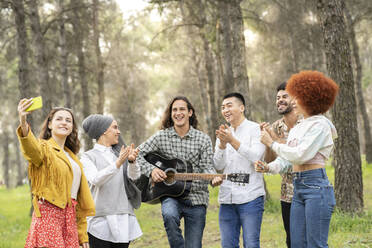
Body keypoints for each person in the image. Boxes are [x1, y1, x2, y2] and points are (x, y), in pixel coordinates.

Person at [255, 70, 339, 248]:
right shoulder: (298, 127)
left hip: (316, 187)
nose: (293, 101)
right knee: (296, 244)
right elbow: (288, 160)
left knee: (315, 244)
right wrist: (268, 167)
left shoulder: (321, 125)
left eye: (297, 97)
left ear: (311, 98)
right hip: (298, 188)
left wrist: (272, 143)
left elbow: (301, 154)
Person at [136, 96, 216, 248]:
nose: (178, 113)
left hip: (196, 198)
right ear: (170, 114)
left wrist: (213, 179)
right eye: (174, 110)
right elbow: (137, 154)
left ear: (190, 113)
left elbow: (207, 167)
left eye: (182, 109)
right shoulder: (161, 136)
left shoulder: (203, 139)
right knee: (169, 214)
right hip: (171, 195)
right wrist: (152, 170)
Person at [17, 99, 95, 248]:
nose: (64, 122)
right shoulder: (43, 148)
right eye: (59, 119)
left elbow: (78, 200)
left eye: (68, 120)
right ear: (50, 125)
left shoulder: (73, 158)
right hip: (48, 218)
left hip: (69, 220)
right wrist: (23, 120)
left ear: (72, 127)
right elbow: (31, 148)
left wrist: (82, 234)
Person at [80, 114, 142, 248]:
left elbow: (134, 177)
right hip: (100, 220)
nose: (118, 131)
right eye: (114, 127)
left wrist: (131, 161)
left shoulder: (120, 153)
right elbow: (96, 179)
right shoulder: (87, 157)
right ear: (103, 131)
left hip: (123, 216)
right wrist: (118, 163)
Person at [213, 92, 266, 248]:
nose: (225, 110)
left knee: (251, 244)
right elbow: (218, 165)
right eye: (223, 107)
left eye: (229, 105)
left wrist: (232, 141)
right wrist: (222, 145)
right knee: (227, 245)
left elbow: (256, 156)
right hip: (227, 198)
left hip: (251, 197)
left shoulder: (255, 129)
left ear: (242, 107)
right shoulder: (223, 133)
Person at [261, 82, 300, 248]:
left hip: (310, 189)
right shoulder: (276, 126)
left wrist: (274, 140)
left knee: (310, 240)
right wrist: (267, 142)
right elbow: (270, 160)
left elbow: (299, 152)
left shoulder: (306, 122)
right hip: (287, 194)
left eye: (285, 96)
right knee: (291, 240)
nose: (280, 100)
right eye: (278, 98)